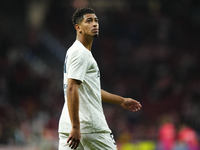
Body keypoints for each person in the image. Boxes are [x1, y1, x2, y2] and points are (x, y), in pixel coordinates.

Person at [58, 7, 142, 150]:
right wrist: (76, 126)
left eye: (96, 20)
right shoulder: (81, 53)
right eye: (89, 21)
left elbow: (91, 90)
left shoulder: (74, 51)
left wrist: (121, 101)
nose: (95, 24)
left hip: (68, 126)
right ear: (78, 27)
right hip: (90, 126)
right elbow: (71, 89)